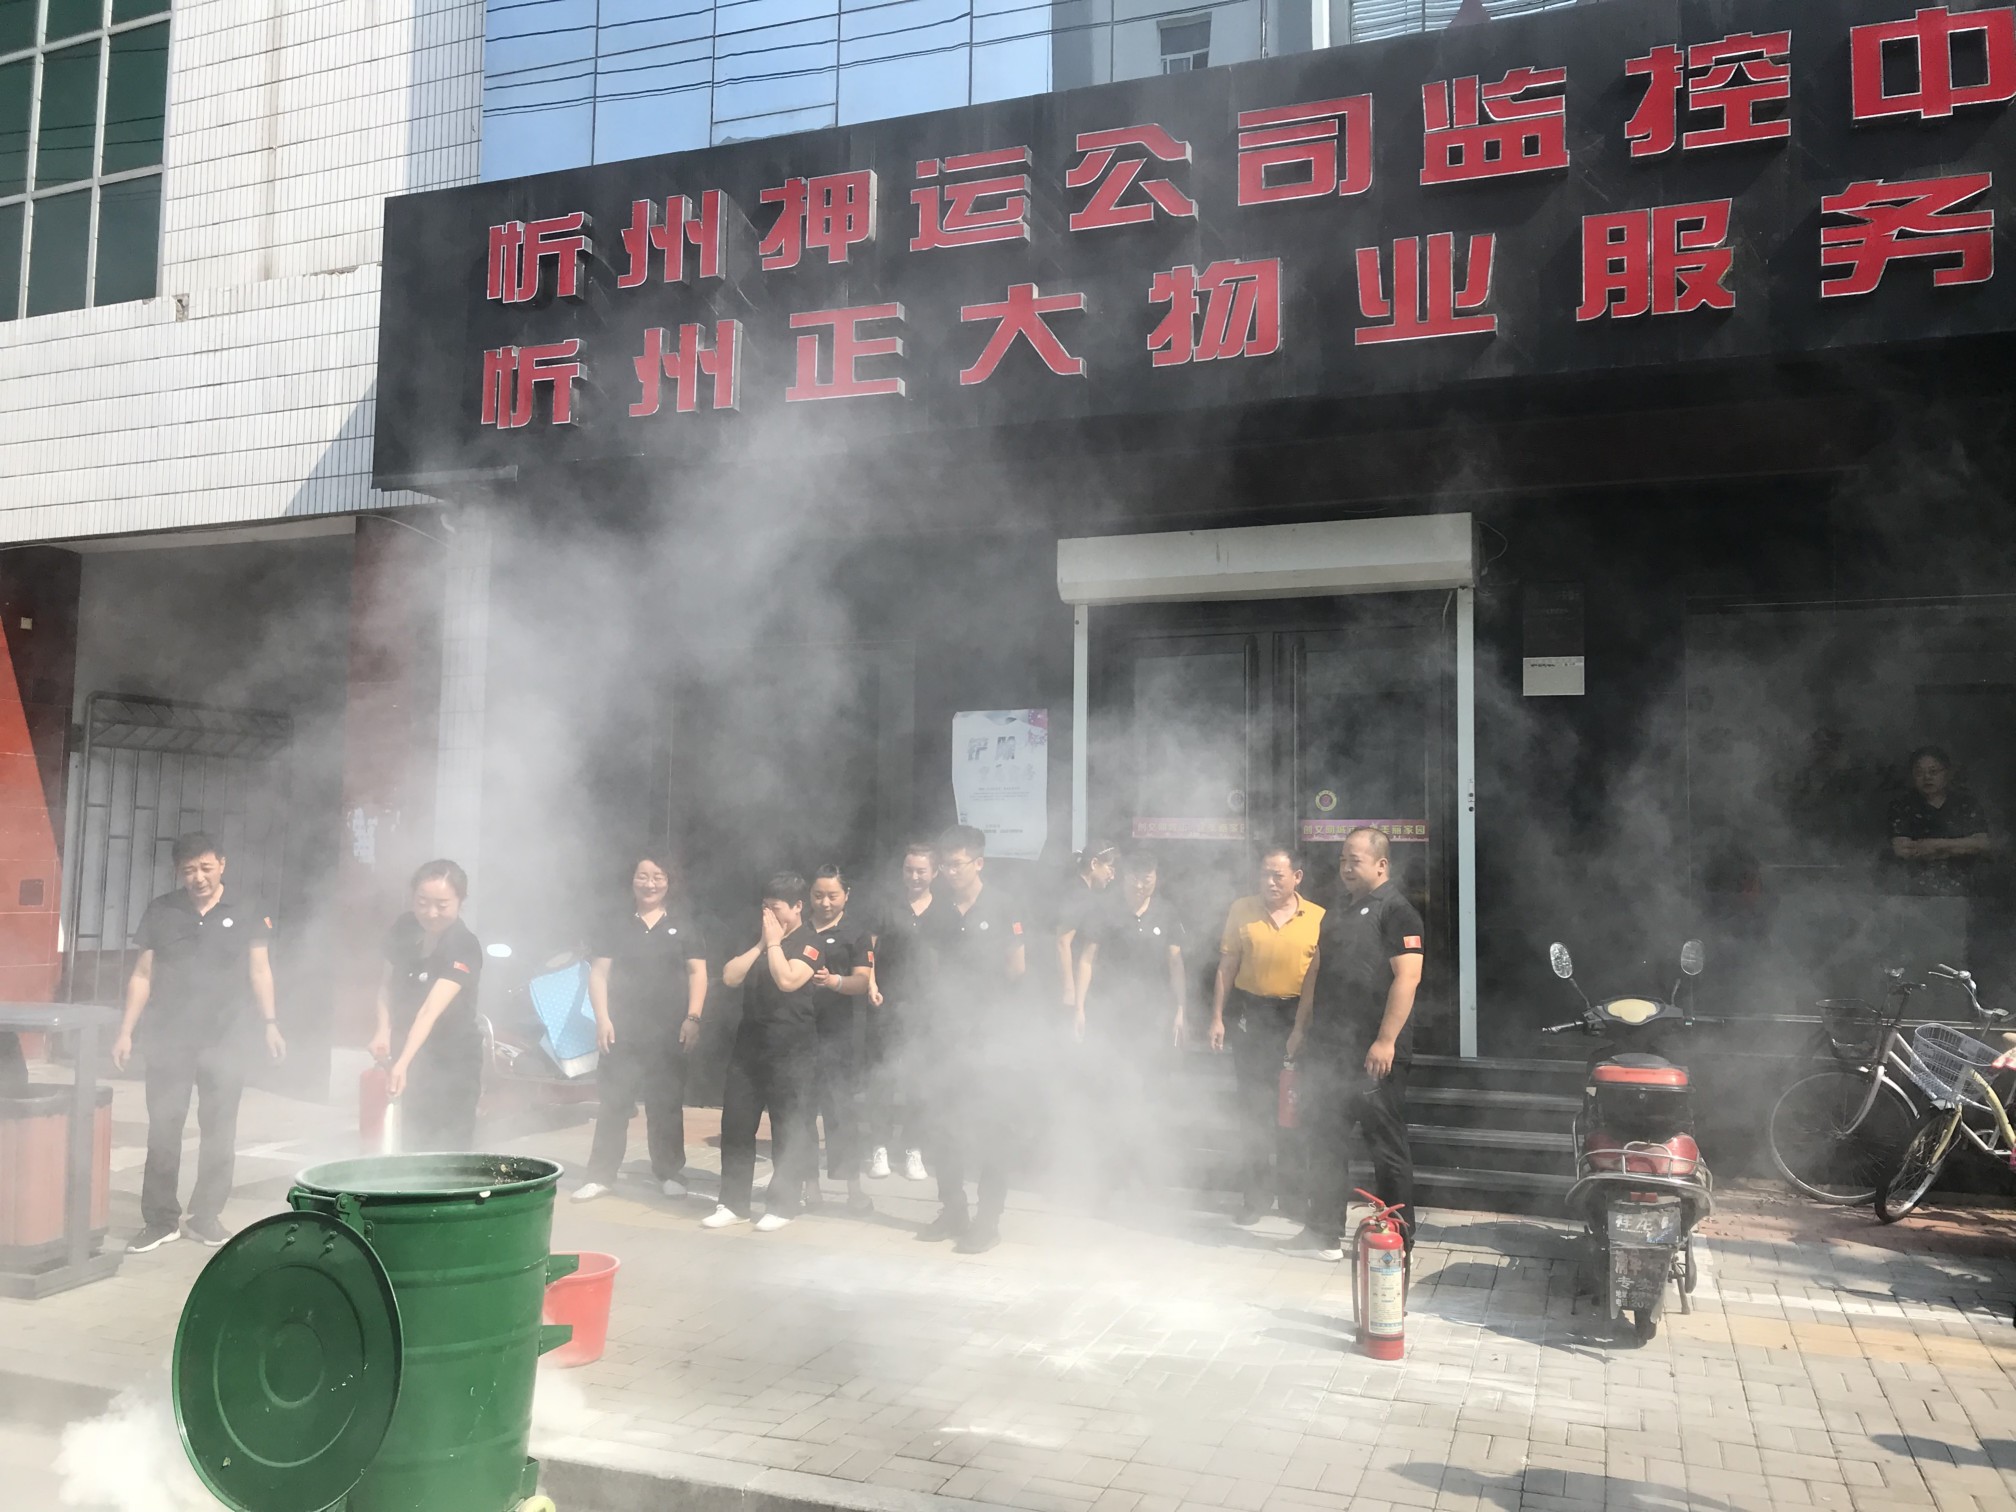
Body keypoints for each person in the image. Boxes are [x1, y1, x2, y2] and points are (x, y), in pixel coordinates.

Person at [112, 833, 285, 1252]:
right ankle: (160, 1220)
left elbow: (260, 971)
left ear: (222, 864)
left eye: (206, 868)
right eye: (189, 870)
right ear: (179, 872)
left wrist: (271, 1023)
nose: (199, 877)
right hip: (169, 1036)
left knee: (219, 1130)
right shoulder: (162, 910)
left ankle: (206, 1216)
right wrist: (125, 1031)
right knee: (164, 1127)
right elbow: (142, 975)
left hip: (227, 1037)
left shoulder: (248, 910)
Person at [1288, 827, 1424, 1259]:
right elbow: (1315, 972)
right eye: (1343, 860)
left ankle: (1397, 1241)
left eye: (1355, 861)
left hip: (1374, 1054)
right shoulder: (1336, 911)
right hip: (1330, 1048)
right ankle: (1322, 1232)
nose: (1345, 868)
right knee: (1325, 1138)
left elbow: (1408, 978)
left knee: (1386, 1147)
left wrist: (1385, 1040)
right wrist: (1301, 1027)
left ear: (1381, 865)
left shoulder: (1398, 912)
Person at [573, 852, 709, 1202]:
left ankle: (669, 1172)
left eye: (658, 877)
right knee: (614, 1103)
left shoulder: (684, 925)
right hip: (622, 1028)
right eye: (642, 876)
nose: (650, 884)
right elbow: (599, 974)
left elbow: (698, 972)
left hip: (669, 1030)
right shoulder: (615, 923)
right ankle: (601, 1175)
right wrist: (602, 1018)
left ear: (669, 882)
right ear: (632, 880)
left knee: (666, 1105)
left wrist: (693, 1017)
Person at [919, 823, 1025, 1254]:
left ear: (978, 863)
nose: (949, 872)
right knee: (943, 1125)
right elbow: (929, 971)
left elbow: (1017, 969)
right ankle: (953, 1208)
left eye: (957, 864)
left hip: (991, 1035)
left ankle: (988, 1219)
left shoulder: (1004, 906)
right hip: (947, 1033)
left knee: (992, 1127)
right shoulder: (937, 912)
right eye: (944, 865)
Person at [1211, 845, 1324, 1226]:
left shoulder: (1318, 917)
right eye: (1264, 874)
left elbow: (1317, 979)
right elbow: (1227, 965)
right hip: (1252, 1016)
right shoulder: (1242, 909)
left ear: (1297, 878)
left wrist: (1301, 1028)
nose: (1270, 882)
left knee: (1294, 1109)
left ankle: (1293, 1198)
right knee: (1254, 1109)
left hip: (1296, 1016)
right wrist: (1216, 1017)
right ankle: (1255, 1197)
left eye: (1278, 875)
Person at [709, 873, 821, 1231]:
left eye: (775, 908)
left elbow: (788, 980)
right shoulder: (758, 938)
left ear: (798, 906)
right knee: (736, 1124)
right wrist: (762, 943)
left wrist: (774, 945)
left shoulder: (810, 941)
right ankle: (733, 1203)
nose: (768, 915)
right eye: (764, 907)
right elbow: (730, 976)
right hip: (749, 1047)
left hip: (791, 1050)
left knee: (787, 1127)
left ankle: (783, 1205)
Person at [1072, 846, 1186, 1198]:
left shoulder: (1167, 913)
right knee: (1112, 1094)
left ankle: (1146, 1175)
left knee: (1150, 1094)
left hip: (1153, 1018)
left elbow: (1176, 964)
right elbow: (1087, 960)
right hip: (1111, 1016)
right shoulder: (1104, 911)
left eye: (1147, 879)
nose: (1141, 885)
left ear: (1156, 879)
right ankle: (1110, 1178)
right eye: (1135, 879)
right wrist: (1079, 1007)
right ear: (1123, 879)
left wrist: (1181, 1008)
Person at [372, 859, 485, 1153]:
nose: (431, 913)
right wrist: (383, 1031)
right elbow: (386, 986)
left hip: (453, 1059)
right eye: (422, 903)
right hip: (410, 1053)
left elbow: (429, 1011)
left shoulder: (464, 945)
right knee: (412, 1141)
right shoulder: (404, 927)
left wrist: (403, 1062)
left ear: (461, 902)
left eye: (442, 905)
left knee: (449, 1148)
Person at [865, 840, 938, 1182]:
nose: (914, 876)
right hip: (888, 1005)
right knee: (883, 1079)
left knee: (919, 1082)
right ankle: (879, 1147)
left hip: (928, 1009)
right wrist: (871, 983)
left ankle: (914, 1149)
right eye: (909, 870)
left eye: (921, 870)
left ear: (934, 873)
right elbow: (868, 951)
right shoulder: (887, 907)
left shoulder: (945, 910)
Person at [805, 864, 874, 1215]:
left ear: (846, 895)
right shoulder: (797, 928)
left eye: (832, 895)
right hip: (799, 1033)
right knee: (801, 1112)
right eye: (818, 895)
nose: (825, 902)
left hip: (839, 1034)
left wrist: (834, 982)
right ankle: (809, 1187)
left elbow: (862, 980)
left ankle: (853, 1189)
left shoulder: (856, 933)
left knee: (841, 1112)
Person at [1888, 746, 1991, 896]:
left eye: (1933, 771)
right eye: (1919, 773)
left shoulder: (1966, 803)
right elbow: (1902, 850)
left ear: (1947, 773)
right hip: (1915, 887)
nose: (1927, 777)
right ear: (1912, 776)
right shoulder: (1902, 806)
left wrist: (1934, 845)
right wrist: (1960, 846)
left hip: (1966, 886)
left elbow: (1982, 843)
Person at [1054, 843, 1117, 1011]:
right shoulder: (1078, 894)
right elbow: (1063, 942)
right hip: (1064, 991)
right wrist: (1069, 991)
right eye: (1110, 868)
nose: (1112, 876)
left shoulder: (1078, 891)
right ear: (1094, 864)